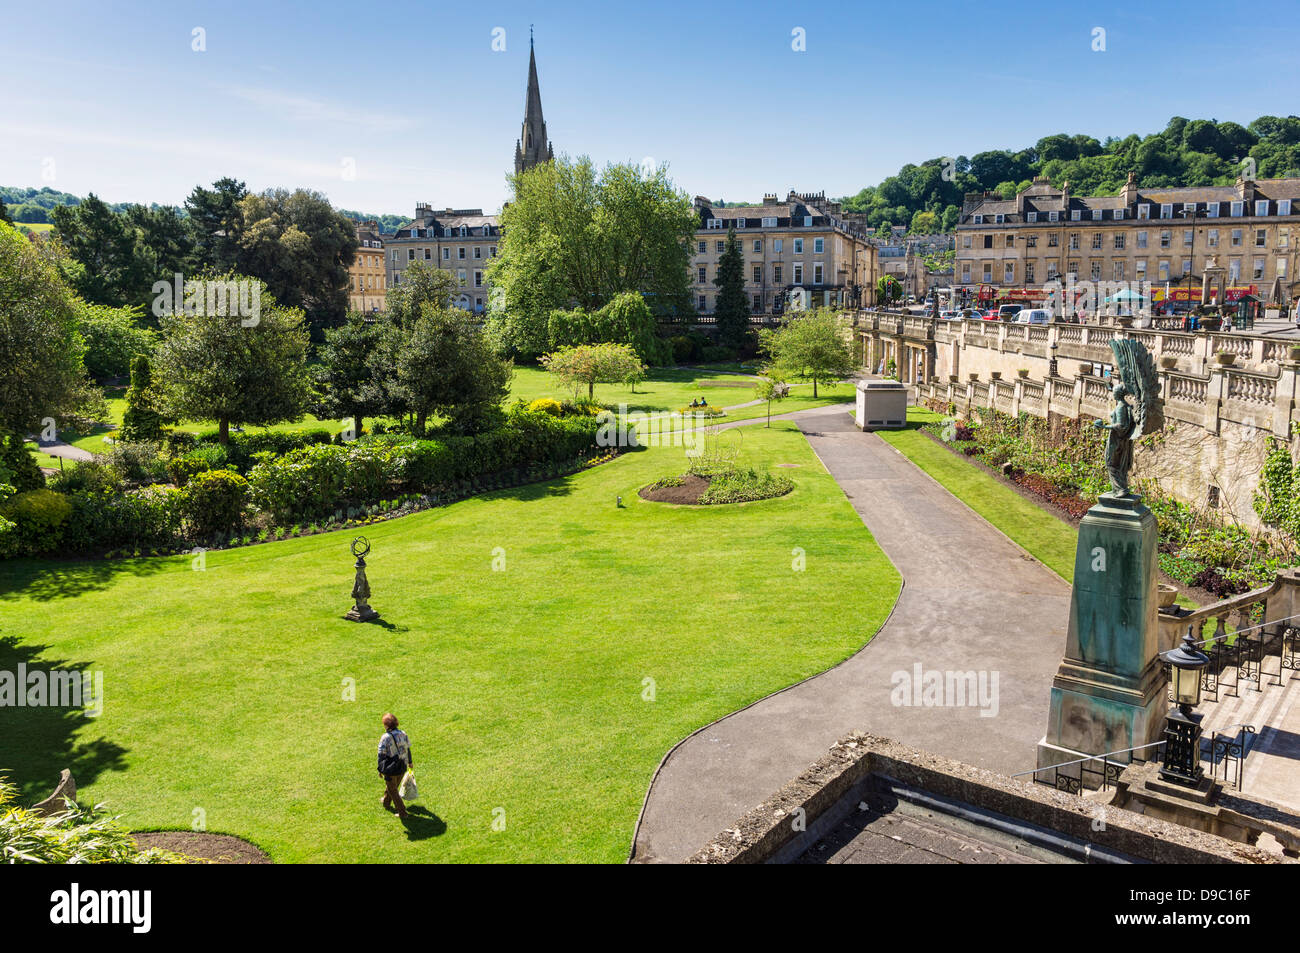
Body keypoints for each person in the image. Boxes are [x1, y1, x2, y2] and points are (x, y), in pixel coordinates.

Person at [377, 713, 413, 818]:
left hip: (390, 768)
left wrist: (380, 769)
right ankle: (386, 802)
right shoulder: (403, 733)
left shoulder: (385, 737)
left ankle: (402, 812)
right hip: (402, 765)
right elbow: (408, 749)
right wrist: (410, 761)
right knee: (392, 786)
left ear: (387, 725)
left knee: (393, 790)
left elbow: (381, 754)